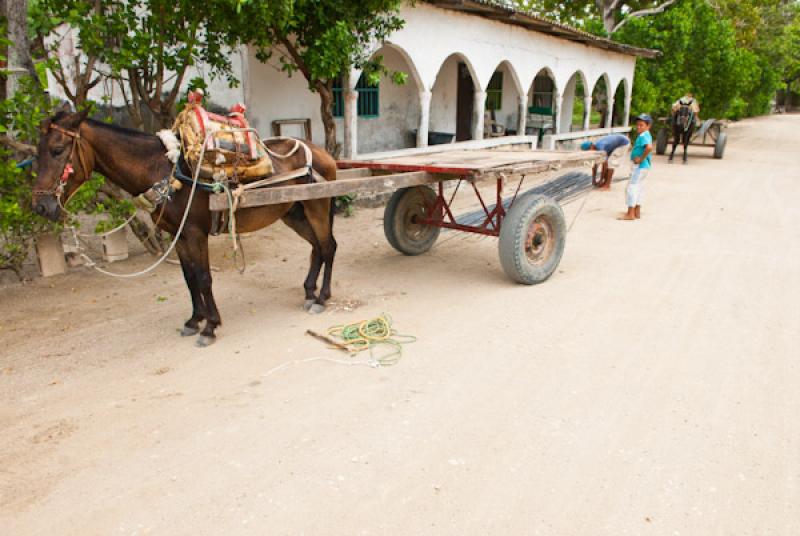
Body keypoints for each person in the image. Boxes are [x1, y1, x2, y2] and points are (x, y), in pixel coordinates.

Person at [618, 114, 653, 221]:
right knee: (639, 187)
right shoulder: (646, 134)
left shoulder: (643, 136)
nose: (638, 127)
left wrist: (641, 159)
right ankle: (637, 211)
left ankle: (630, 213)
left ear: (648, 126)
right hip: (643, 167)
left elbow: (649, 147)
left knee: (631, 187)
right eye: (637, 125)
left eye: (641, 125)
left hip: (639, 166)